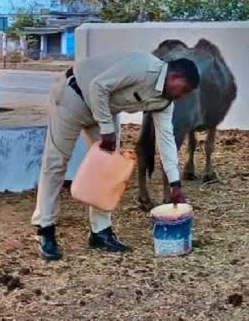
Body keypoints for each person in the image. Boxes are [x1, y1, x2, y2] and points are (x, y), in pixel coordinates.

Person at [31, 51, 200, 260]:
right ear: (174, 77)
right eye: (183, 90)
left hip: (105, 111)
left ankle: (100, 232)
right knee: (56, 162)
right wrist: (106, 128)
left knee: (108, 169)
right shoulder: (142, 66)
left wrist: (175, 183)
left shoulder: (165, 102)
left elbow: (166, 140)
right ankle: (45, 229)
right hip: (74, 97)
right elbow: (98, 86)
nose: (182, 96)